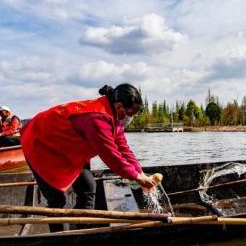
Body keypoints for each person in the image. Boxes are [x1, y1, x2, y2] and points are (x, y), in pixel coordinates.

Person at [20, 84, 156, 214]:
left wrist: (140, 172)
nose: (131, 118)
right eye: (131, 113)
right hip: (41, 144)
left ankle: (81, 227)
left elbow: (123, 148)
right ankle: (62, 237)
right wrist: (136, 177)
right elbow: (111, 156)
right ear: (119, 106)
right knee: (57, 199)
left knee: (88, 188)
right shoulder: (97, 118)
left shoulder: (115, 118)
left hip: (67, 149)